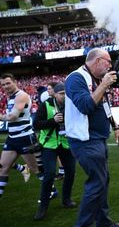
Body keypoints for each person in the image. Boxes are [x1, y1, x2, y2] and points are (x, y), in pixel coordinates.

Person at [64, 48, 119, 227]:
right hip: (85, 140)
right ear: (98, 61)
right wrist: (104, 84)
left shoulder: (95, 79)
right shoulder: (76, 78)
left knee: (102, 181)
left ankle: (103, 222)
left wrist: (114, 125)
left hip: (97, 138)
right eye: (108, 62)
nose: (109, 66)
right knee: (97, 183)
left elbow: (104, 105)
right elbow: (85, 106)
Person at [33, 83, 77, 220]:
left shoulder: (70, 105)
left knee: (70, 172)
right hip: (49, 144)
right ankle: (43, 207)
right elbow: (36, 124)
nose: (64, 96)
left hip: (65, 144)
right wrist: (53, 120)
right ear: (55, 94)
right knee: (50, 174)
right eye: (61, 93)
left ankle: (66, 199)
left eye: (65, 93)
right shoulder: (46, 104)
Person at [0, 73, 40, 197]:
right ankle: (22, 169)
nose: (5, 86)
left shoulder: (21, 95)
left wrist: (1, 117)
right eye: (3, 85)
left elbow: (13, 116)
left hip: (25, 137)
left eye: (8, 83)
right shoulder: (10, 97)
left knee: (36, 169)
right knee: (3, 168)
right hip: (12, 138)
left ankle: (52, 191)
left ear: (15, 82)